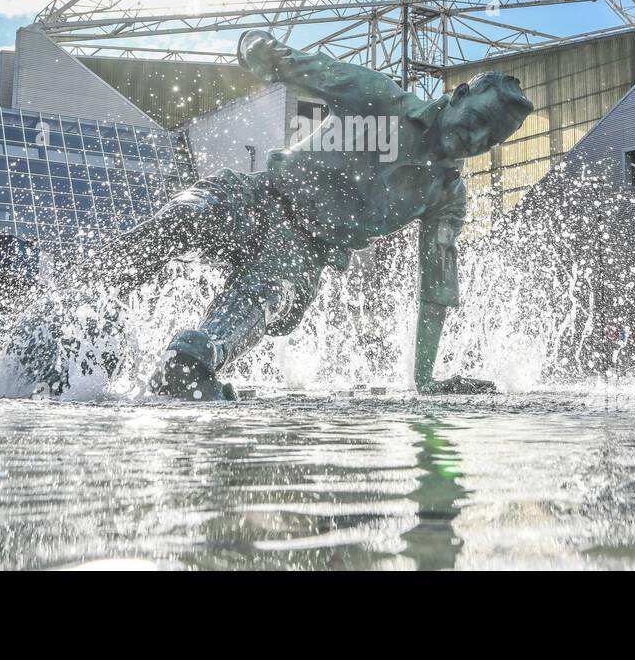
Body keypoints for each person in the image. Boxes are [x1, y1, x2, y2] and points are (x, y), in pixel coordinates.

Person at [116, 29, 533, 400]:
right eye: (478, 120)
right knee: (188, 216)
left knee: (258, 304)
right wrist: (254, 46)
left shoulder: (446, 198)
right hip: (260, 197)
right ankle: (76, 303)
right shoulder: (378, 97)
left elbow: (434, 292)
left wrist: (424, 381)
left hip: (304, 252)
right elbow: (290, 63)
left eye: (492, 138)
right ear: (458, 96)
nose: (478, 138)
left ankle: (191, 366)